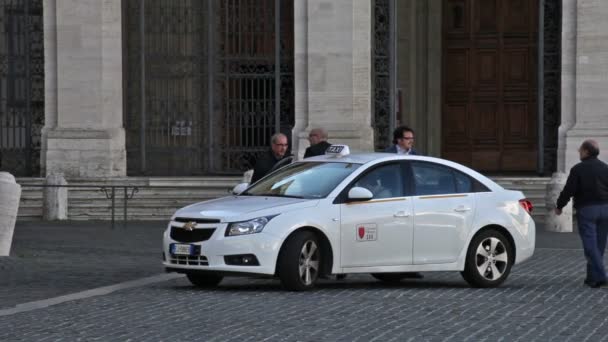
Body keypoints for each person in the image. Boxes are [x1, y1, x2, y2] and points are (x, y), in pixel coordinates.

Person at [556, 139, 608, 288]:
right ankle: (592, 278)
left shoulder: (578, 169)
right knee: (599, 246)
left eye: (580, 150)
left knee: (590, 246)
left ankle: (602, 276)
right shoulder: (605, 168)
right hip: (605, 209)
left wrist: (560, 205)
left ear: (586, 151)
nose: (579, 151)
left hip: (587, 210)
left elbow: (569, 190)